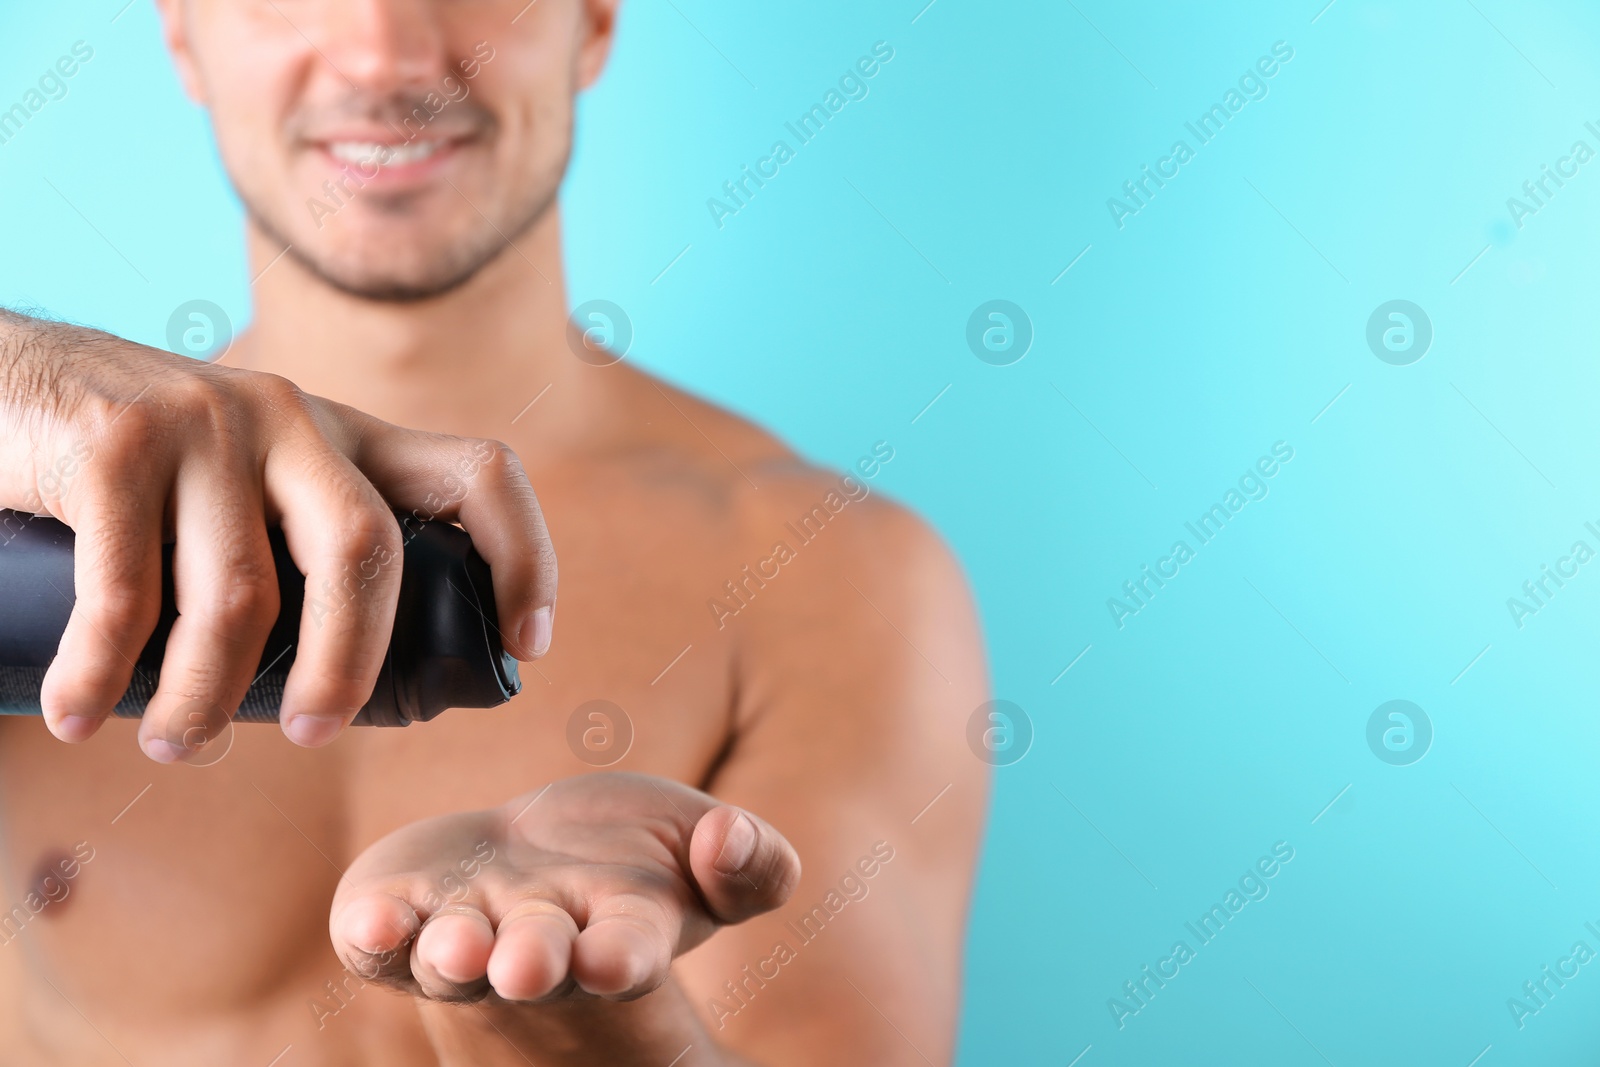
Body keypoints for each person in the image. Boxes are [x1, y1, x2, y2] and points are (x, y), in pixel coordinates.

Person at [0, 1, 988, 1063]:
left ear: (595, 23)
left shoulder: (829, 573)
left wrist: (586, 1029)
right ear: (183, 32)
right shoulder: (34, 528)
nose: (386, 53)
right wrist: (19, 373)